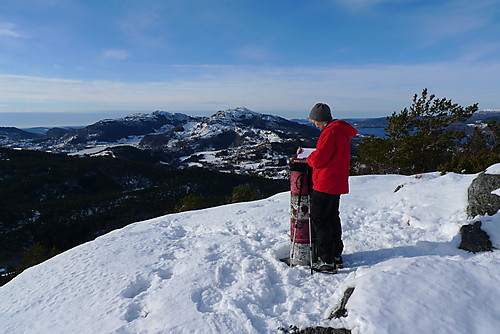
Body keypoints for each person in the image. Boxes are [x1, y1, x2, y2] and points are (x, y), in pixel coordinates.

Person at [297, 103, 358, 273]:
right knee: (332, 218)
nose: (313, 124)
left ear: (320, 119)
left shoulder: (329, 132)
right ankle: (336, 255)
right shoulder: (340, 131)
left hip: (325, 182)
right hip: (337, 182)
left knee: (320, 220)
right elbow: (329, 153)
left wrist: (308, 158)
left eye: (314, 121)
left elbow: (319, 159)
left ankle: (326, 260)